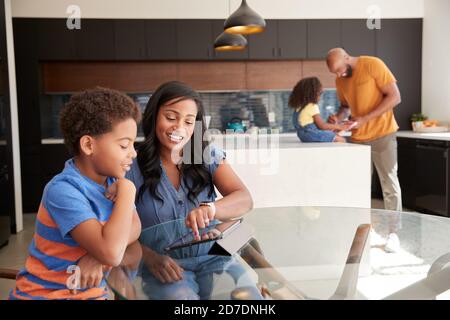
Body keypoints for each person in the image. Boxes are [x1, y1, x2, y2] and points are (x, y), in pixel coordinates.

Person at [126, 81, 260, 299]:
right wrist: (149, 257)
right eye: (170, 117)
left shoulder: (205, 154)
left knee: (248, 299)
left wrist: (211, 209)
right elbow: (116, 228)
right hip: (166, 266)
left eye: (189, 122)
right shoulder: (130, 164)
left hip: (217, 256)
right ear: (153, 116)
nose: (179, 128)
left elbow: (245, 199)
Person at [9, 88, 142, 299]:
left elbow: (134, 226)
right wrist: (129, 190)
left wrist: (96, 256)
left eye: (133, 144)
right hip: (48, 294)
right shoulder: (63, 191)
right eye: (124, 145)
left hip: (92, 291)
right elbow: (112, 253)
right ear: (89, 145)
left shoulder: (113, 181)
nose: (133, 153)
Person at [326, 48, 403, 252]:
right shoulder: (340, 80)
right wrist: (339, 117)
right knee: (359, 186)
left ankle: (394, 233)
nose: (339, 75)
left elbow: (395, 97)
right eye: (335, 73)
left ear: (346, 57)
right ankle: (365, 231)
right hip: (359, 138)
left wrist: (365, 118)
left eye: (340, 70)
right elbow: (345, 106)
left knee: (389, 183)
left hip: (383, 133)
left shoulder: (373, 65)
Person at [289, 77, 353, 143]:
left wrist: (333, 127)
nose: (320, 97)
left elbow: (316, 126)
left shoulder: (299, 107)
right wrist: (340, 127)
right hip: (311, 134)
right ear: (312, 93)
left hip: (303, 136)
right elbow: (322, 126)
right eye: (320, 94)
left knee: (332, 135)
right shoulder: (312, 106)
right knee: (340, 139)